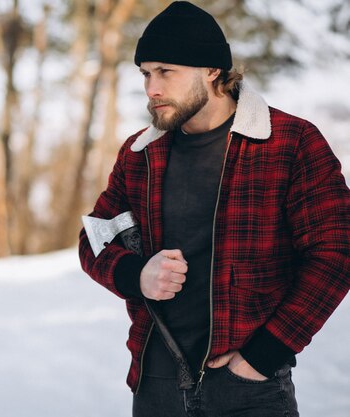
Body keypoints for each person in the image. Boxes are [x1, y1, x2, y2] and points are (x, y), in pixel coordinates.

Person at [78, 2, 350, 416]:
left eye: (165, 71)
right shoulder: (140, 153)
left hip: (249, 390)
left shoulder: (289, 142)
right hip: (155, 385)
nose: (152, 88)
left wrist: (265, 354)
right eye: (146, 73)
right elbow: (93, 239)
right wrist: (137, 274)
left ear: (211, 70)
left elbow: (337, 253)